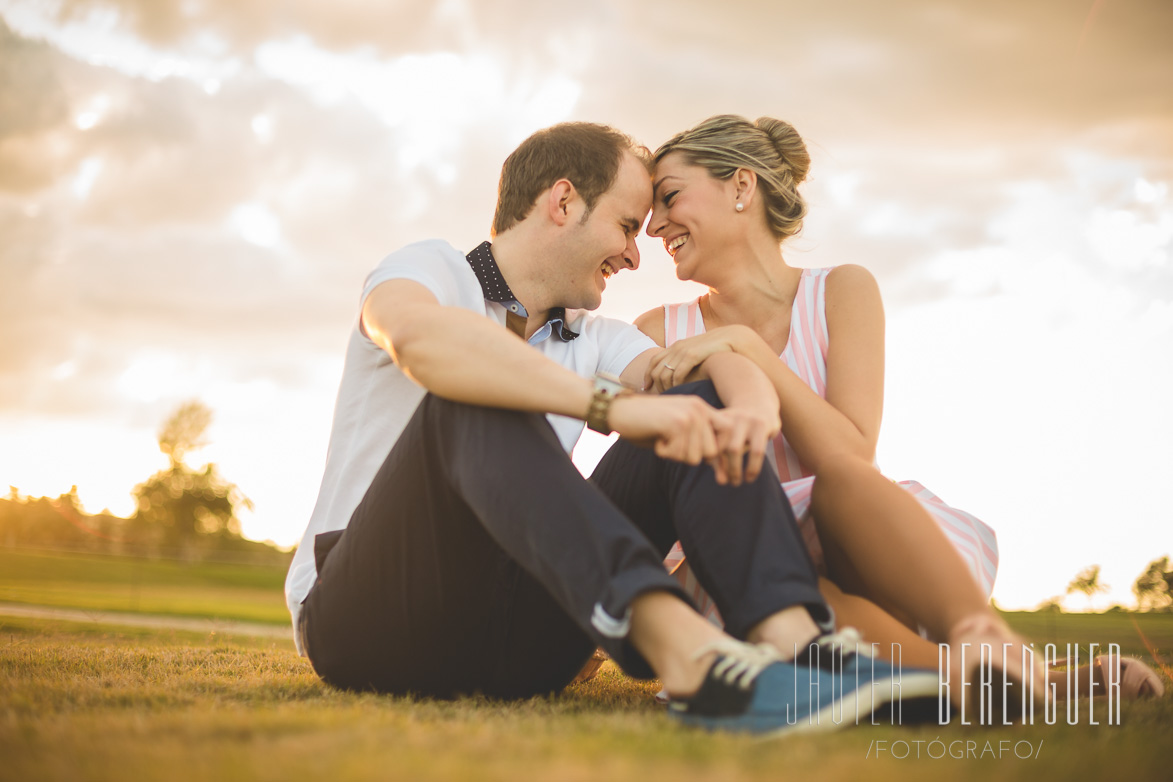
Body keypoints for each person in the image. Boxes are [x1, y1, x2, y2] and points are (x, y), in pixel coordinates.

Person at [284, 121, 929, 737]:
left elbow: (715, 370)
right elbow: (420, 339)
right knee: (476, 391)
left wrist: (752, 410)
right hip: (368, 617)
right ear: (563, 202)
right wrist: (611, 408)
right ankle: (694, 659)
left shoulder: (595, 339)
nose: (633, 252)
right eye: (625, 225)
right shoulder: (430, 270)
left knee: (696, 402)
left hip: (519, 645)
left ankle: (798, 649)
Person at [635, 113, 1164, 704]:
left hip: (859, 530)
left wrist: (749, 349)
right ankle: (1036, 686)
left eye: (670, 197)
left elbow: (849, 451)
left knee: (841, 481)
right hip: (752, 562)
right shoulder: (659, 332)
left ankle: (985, 639)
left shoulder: (841, 290)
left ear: (740, 186)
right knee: (805, 601)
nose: (654, 225)